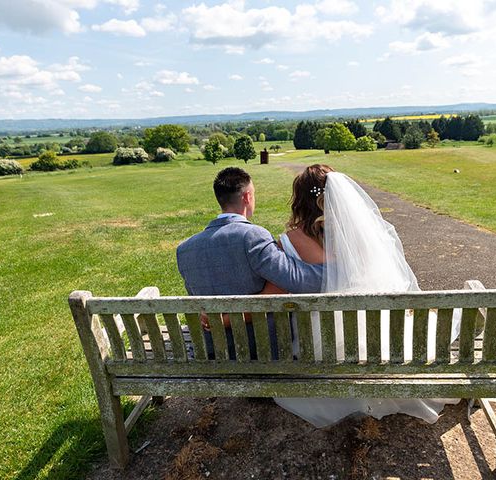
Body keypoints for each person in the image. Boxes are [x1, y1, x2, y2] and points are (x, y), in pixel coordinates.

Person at [272, 164, 461, 427]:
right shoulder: (361, 237)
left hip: (319, 342)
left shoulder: (288, 241)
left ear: (300, 199)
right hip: (370, 331)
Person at [176, 167, 324, 359]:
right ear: (247, 197)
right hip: (263, 352)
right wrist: (339, 270)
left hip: (213, 353)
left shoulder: (184, 249)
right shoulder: (254, 237)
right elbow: (297, 280)